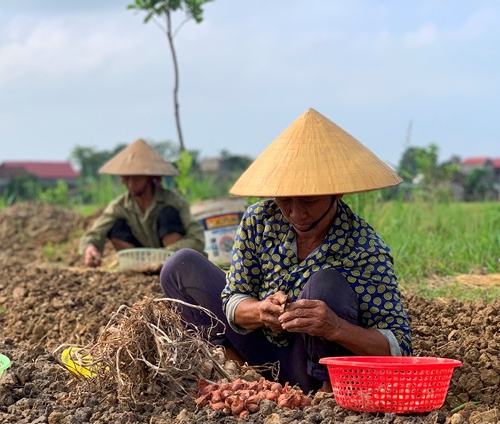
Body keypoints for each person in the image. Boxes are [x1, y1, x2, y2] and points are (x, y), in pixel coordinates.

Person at [160, 109, 413, 393]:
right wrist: (259, 311)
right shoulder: (259, 220)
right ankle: (237, 377)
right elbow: (233, 297)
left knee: (326, 284)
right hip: (255, 351)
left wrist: (335, 328)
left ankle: (324, 397)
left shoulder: (365, 248)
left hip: (310, 364)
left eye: (310, 201)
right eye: (285, 200)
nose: (295, 213)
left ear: (337, 193)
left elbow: (398, 345)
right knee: (180, 266)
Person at [79, 139, 205, 267]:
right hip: (137, 259)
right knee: (115, 226)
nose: (131, 184)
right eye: (127, 179)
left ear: (150, 179)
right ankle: (135, 266)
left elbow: (197, 238)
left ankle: (170, 265)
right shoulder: (120, 206)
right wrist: (90, 248)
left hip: (170, 258)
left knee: (168, 215)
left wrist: (167, 253)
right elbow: (96, 232)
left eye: (137, 179)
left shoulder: (174, 201)